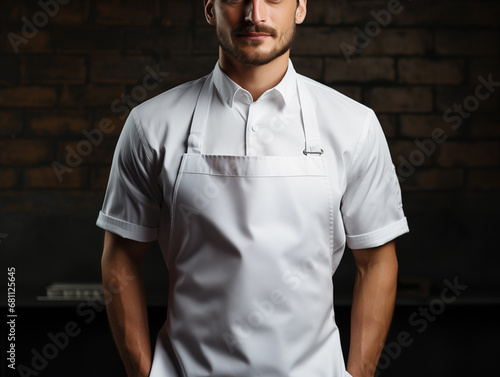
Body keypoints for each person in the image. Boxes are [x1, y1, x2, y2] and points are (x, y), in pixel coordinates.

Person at [98, 0, 409, 376]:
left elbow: (375, 260)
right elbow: (121, 256)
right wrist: (142, 372)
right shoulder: (151, 125)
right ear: (210, 8)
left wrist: (357, 374)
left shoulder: (353, 125)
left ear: (300, 8)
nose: (255, 14)